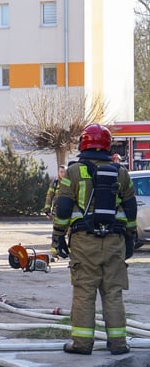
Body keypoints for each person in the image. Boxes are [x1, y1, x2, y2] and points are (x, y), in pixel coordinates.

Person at [51, 123, 137, 355]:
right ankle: (119, 343)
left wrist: (58, 236)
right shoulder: (121, 172)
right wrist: (129, 237)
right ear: (107, 146)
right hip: (115, 242)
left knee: (84, 292)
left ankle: (81, 344)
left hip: (84, 242)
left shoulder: (74, 172)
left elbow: (64, 206)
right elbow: (130, 208)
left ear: (84, 143)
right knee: (113, 292)